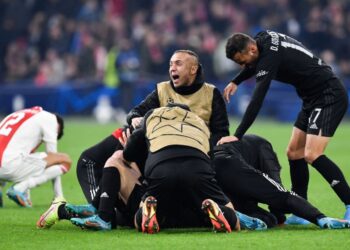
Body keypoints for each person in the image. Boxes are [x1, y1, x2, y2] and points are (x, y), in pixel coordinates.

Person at [37, 49, 230, 229]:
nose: (172, 68)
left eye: (178, 64)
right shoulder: (162, 90)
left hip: (189, 156)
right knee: (93, 159)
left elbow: (220, 133)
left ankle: (105, 212)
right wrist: (135, 119)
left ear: (194, 68)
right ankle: (100, 209)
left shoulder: (211, 94)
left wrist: (202, 149)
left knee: (123, 173)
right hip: (155, 148)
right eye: (171, 64)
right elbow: (136, 113)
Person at [220, 30, 350, 224]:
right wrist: (236, 80)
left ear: (252, 48)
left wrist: (238, 135)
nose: (243, 66)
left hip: (328, 95)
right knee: (294, 152)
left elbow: (257, 98)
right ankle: (301, 210)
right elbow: (254, 63)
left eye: (242, 62)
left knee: (312, 154)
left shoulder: (269, 55)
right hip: (311, 98)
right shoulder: (262, 39)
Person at [213, 136, 350, 229]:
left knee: (261, 215)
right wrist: (281, 217)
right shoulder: (262, 145)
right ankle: (322, 219)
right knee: (280, 204)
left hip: (210, 171)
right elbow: (278, 190)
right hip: (230, 164)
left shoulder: (242, 146)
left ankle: (235, 216)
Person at [0, 106, 71, 207]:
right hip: (9, 165)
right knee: (65, 160)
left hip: (5, 163)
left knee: (24, 158)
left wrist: (26, 197)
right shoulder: (51, 120)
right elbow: (54, 159)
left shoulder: (24, 114)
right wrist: (58, 196)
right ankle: (19, 188)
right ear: (58, 128)